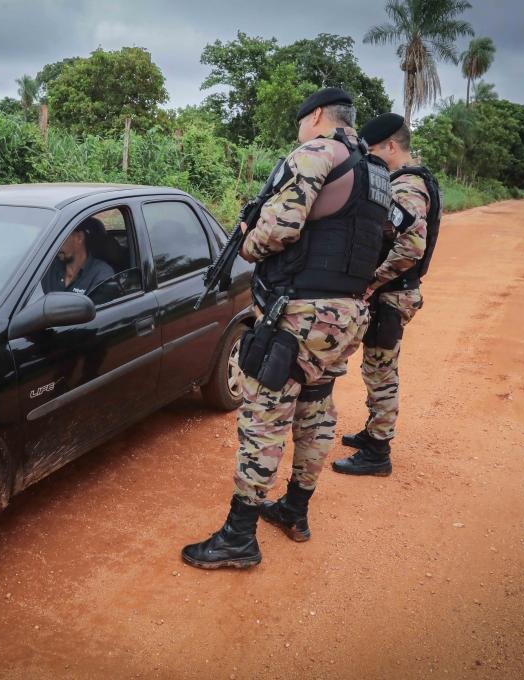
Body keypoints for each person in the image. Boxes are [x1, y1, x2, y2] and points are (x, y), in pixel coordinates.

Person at [180, 88, 391, 569]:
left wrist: (248, 242)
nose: (299, 132)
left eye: (301, 122)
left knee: (264, 417)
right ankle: (295, 510)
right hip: (345, 316)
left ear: (315, 115)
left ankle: (238, 536)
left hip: (301, 313)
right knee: (316, 407)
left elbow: (278, 231)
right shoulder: (376, 170)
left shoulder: (318, 152)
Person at [332, 112, 442, 477]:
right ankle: (372, 433)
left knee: (381, 372)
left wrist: (373, 282)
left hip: (392, 294)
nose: (371, 158)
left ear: (391, 147)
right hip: (393, 293)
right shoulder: (408, 180)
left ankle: (378, 452)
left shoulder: (407, 186)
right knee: (375, 368)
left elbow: (411, 247)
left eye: (376, 150)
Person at [42, 217, 116, 299]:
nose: (56, 246)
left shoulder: (101, 274)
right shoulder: (47, 268)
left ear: (79, 238)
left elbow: (99, 310)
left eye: (60, 238)